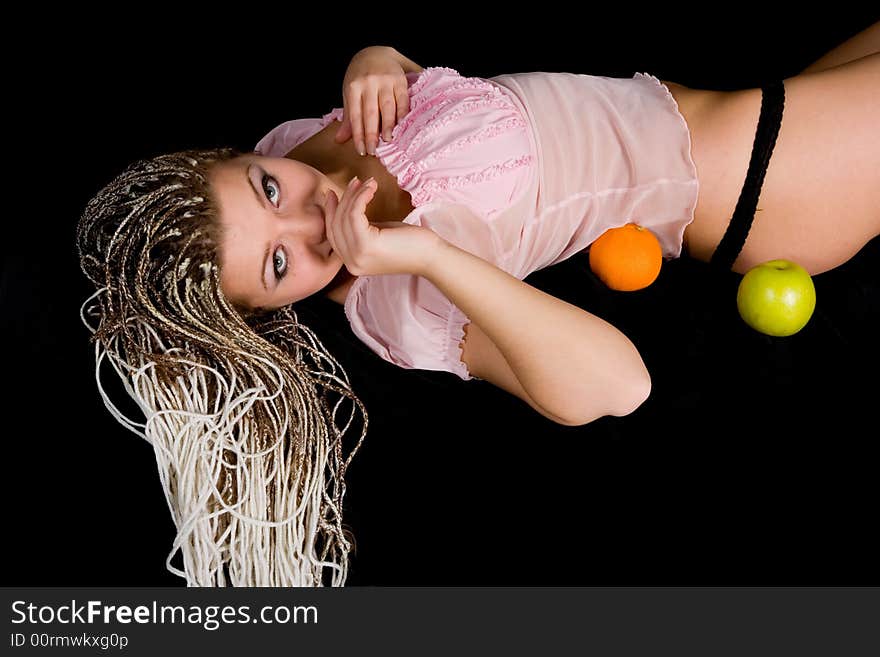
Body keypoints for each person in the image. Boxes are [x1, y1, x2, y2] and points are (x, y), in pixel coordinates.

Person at [76, 27, 879, 586]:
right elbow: (619, 386)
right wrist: (425, 252)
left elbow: (453, 107)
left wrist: (378, 59)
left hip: (742, 104)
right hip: (762, 183)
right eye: (279, 262)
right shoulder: (402, 304)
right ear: (265, 309)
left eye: (267, 190)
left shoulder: (292, 143)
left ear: (243, 156)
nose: (307, 216)